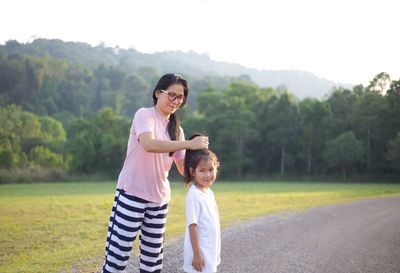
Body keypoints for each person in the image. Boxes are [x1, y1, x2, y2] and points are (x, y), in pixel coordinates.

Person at [101, 74, 209, 273]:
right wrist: (188, 144)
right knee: (116, 260)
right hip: (131, 195)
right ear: (158, 93)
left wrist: (205, 167)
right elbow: (149, 144)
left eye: (180, 97)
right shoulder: (144, 115)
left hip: (159, 201)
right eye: (171, 95)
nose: (175, 101)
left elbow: (182, 167)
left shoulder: (178, 131)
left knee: (152, 264)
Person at [183, 135, 221, 273]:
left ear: (217, 167)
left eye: (211, 170)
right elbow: (192, 226)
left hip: (209, 252)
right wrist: (197, 254)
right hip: (199, 254)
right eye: (202, 170)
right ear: (193, 172)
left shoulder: (209, 193)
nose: (207, 175)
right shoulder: (194, 195)